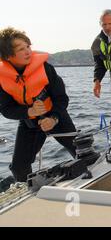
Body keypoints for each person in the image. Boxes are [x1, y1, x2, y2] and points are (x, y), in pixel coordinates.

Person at [0, 27, 77, 182]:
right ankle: (32, 192)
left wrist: (53, 118)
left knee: (82, 152)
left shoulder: (46, 69)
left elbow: (62, 99)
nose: (28, 51)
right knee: (18, 168)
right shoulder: (2, 78)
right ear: (8, 56)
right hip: (29, 122)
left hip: (56, 116)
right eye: (21, 49)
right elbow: (6, 110)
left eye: (28, 46)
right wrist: (29, 112)